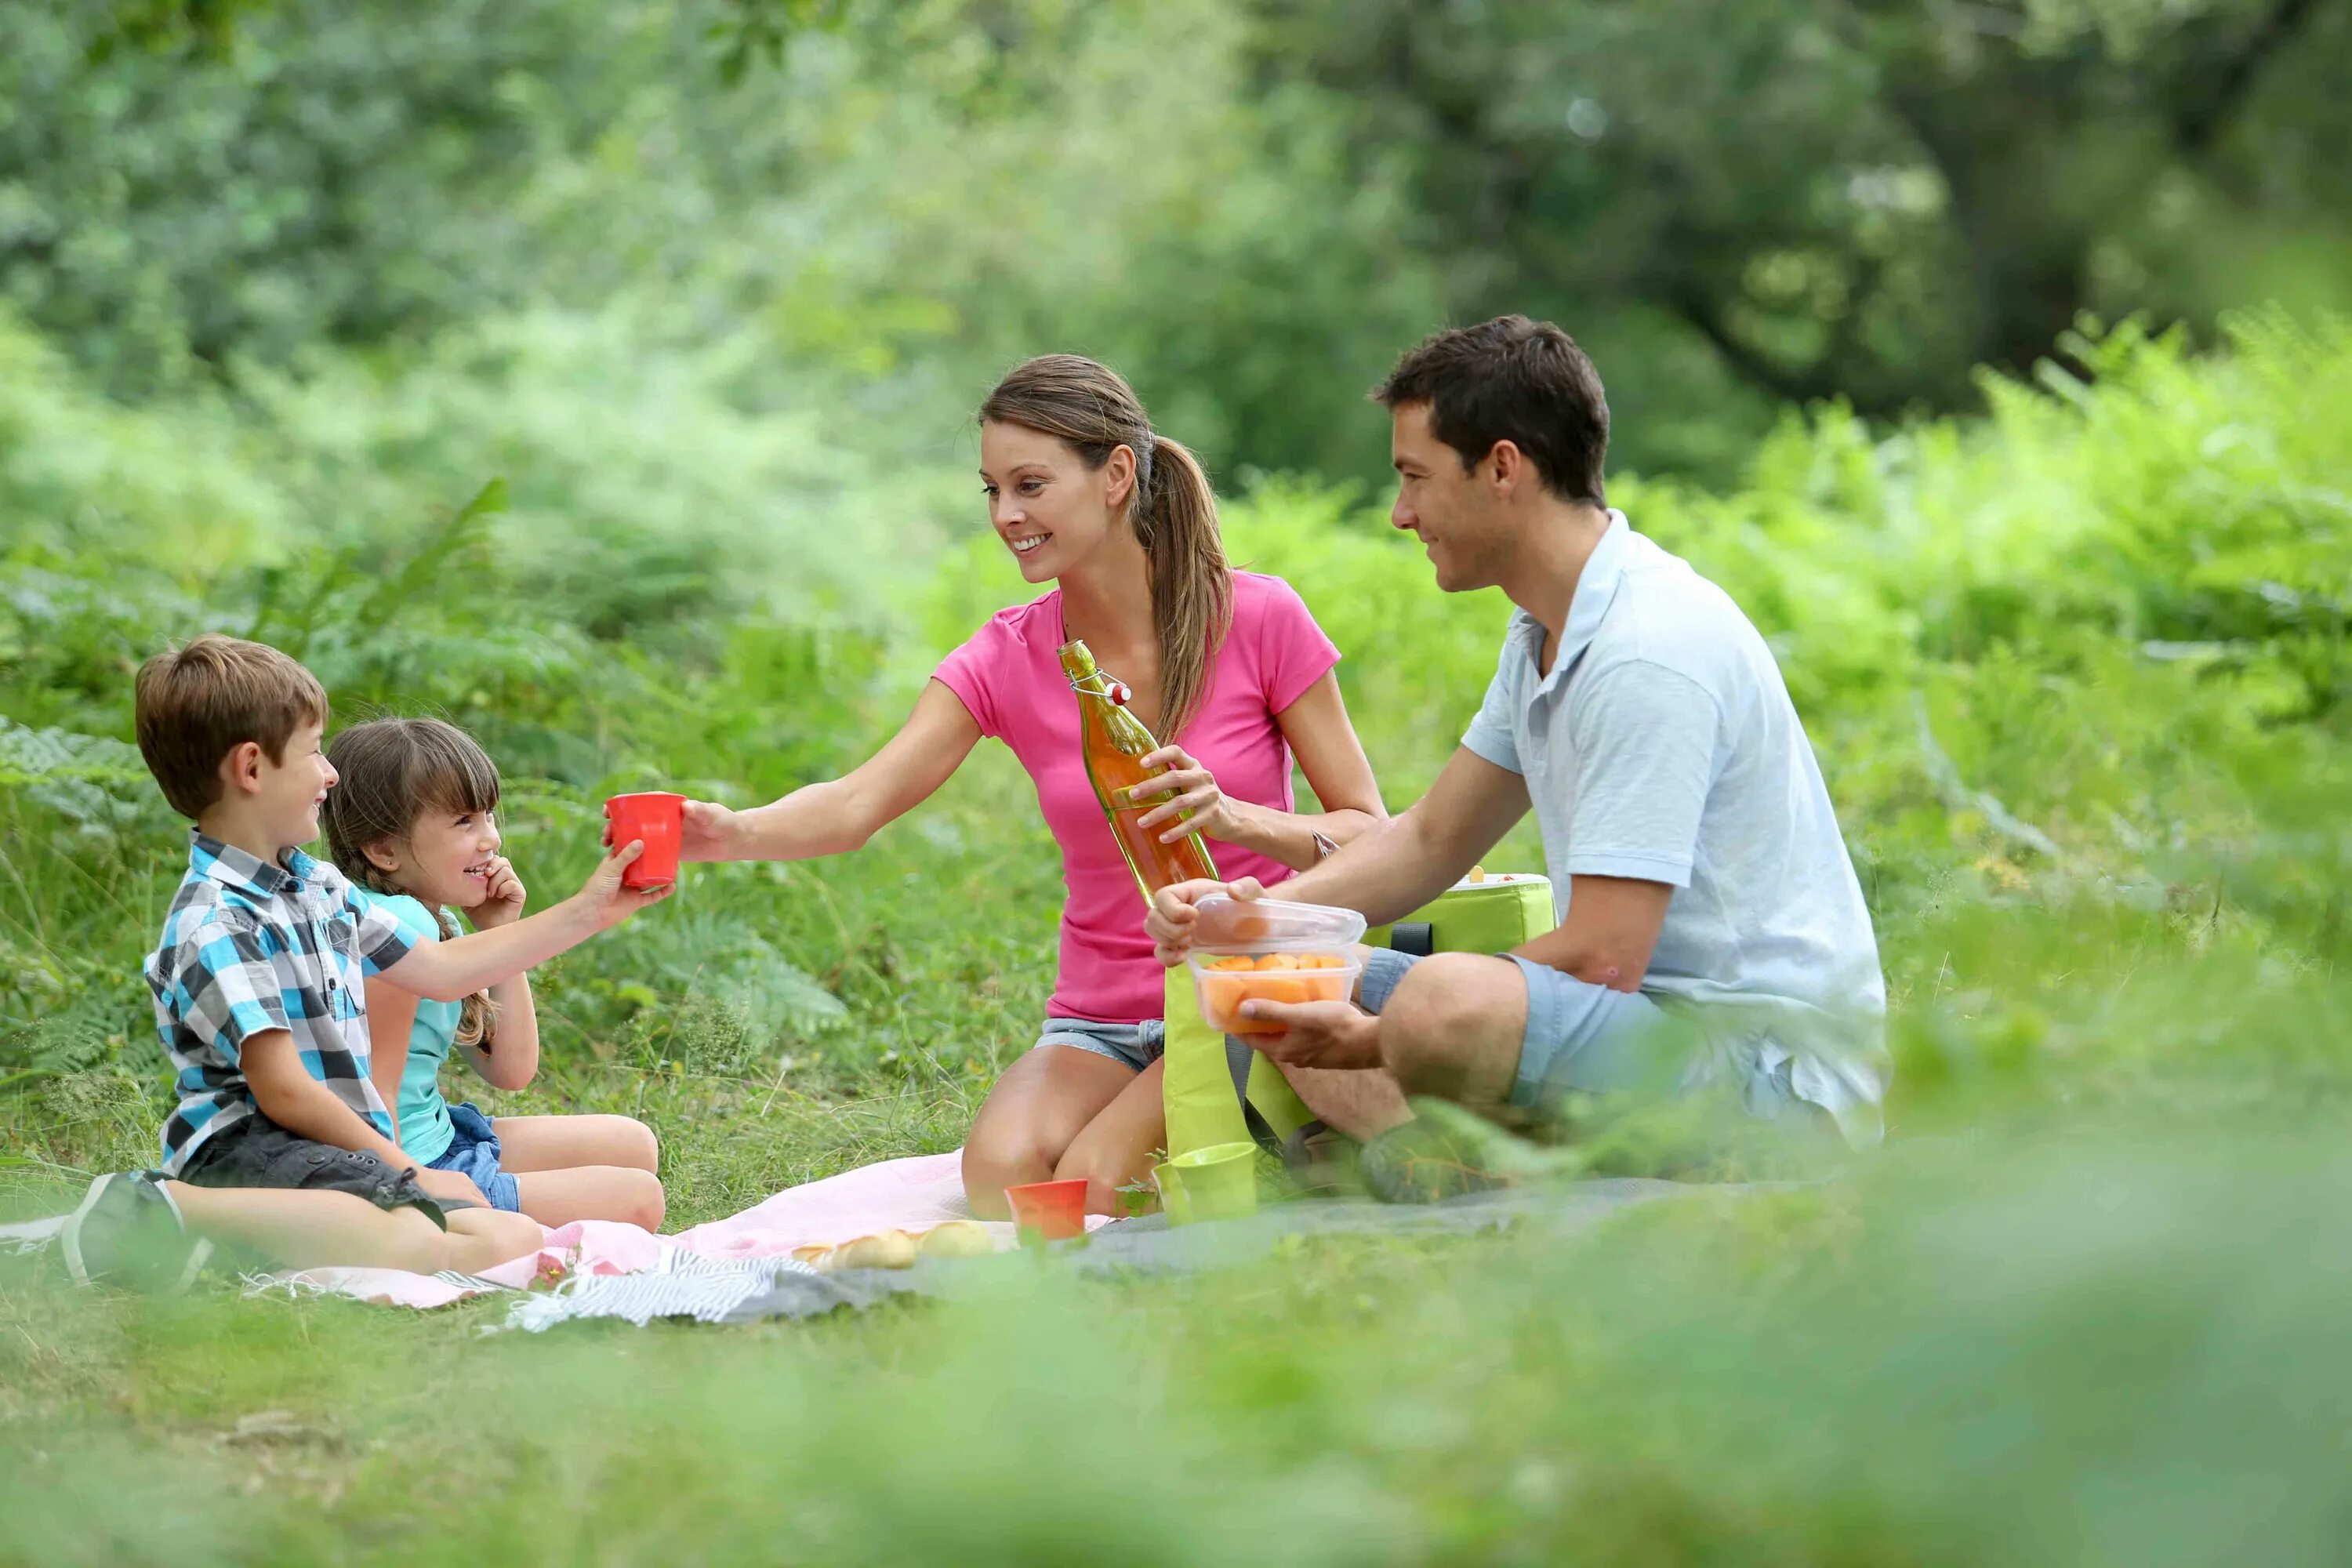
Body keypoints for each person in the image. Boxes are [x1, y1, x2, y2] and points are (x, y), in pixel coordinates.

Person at [1147, 316, 1889, 1147]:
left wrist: (1389, 1037)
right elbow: (1431, 839)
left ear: (1503, 467)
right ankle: (1465, 1159)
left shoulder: (1647, 650)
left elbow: (1607, 956)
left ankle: (1467, 1148)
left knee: (1440, 1001)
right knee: (1280, 975)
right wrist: (1250, 919)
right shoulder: (1545, 630)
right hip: (1629, 1033)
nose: (1400, 513)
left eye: (1414, 477)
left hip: (1764, 1078)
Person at [678, 355, 1387, 1216]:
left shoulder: (1262, 617)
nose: (1006, 515)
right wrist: (732, 831)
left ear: (1116, 474)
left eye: (1030, 484)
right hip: (1102, 1015)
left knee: (1096, 1181)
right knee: (1004, 1177)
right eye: (991, 490)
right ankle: (1253, 1137)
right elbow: (862, 800)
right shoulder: (1007, 655)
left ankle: (1295, 1128)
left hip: (1243, 985)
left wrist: (1236, 815)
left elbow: (1370, 831)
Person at [63, 633, 667, 1287]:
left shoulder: (317, 888)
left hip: (325, 1149)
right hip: (254, 1153)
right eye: (315, 752)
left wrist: (595, 907)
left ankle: (224, 1242)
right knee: (501, 1239)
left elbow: (441, 970)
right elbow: (284, 1090)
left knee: (503, 1234)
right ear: (251, 769)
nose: (331, 774)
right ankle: (172, 1206)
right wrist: (406, 1171)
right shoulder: (217, 921)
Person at [323, 717, 666, 1231]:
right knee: (640, 1199)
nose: (491, 839)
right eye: (463, 821)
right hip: (405, 1165)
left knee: (635, 1144)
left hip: (438, 1136)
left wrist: (499, 931)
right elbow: (374, 1099)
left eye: (487, 815)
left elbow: (511, 1071)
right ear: (384, 849)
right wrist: (406, 1200)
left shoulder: (435, 920)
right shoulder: (396, 925)